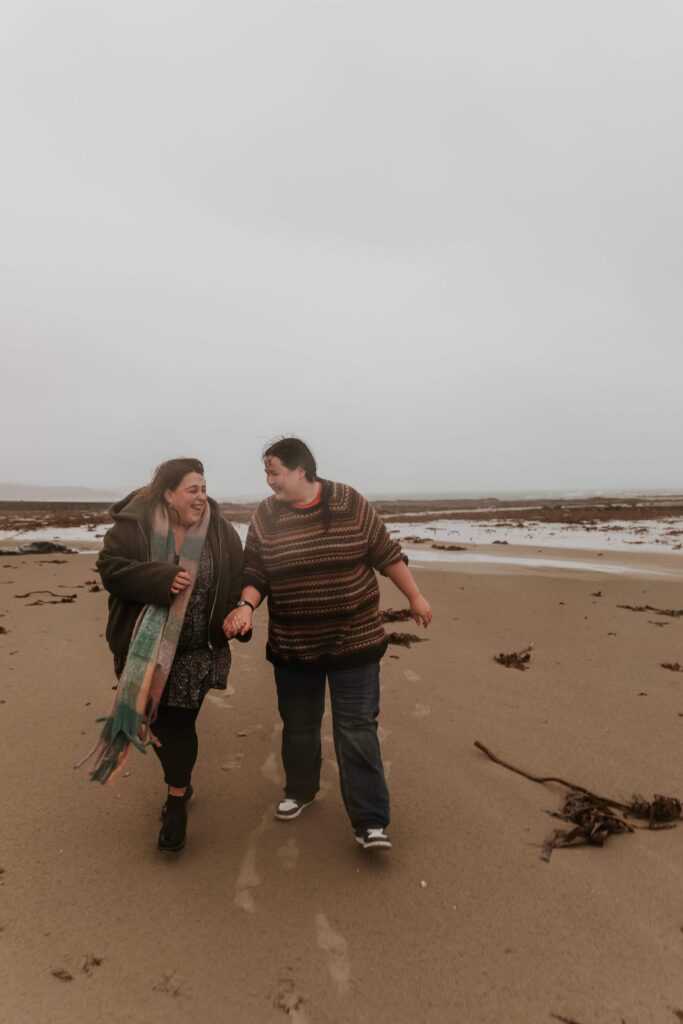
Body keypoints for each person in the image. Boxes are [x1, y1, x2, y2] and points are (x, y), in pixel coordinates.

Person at [223, 437, 432, 851]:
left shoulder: (348, 502)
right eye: (266, 473)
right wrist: (246, 605)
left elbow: (385, 553)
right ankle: (300, 791)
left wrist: (415, 596)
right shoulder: (266, 515)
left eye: (275, 472)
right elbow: (257, 570)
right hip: (294, 643)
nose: (269, 482)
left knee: (356, 728)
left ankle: (370, 821)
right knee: (299, 727)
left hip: (354, 638)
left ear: (301, 470)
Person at [91, 458, 245, 853]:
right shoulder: (135, 525)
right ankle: (181, 779)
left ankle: (176, 800)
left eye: (204, 488)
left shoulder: (220, 530)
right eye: (193, 489)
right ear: (169, 493)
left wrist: (236, 616)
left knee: (179, 724)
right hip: (143, 649)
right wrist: (159, 579)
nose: (201, 496)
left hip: (197, 649)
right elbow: (109, 568)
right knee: (159, 726)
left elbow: (234, 577)